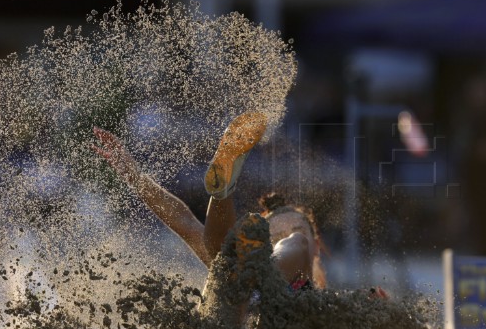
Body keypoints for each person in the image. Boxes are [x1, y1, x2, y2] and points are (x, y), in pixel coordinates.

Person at [91, 112, 330, 290]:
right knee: (228, 260)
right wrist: (137, 178)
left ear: (317, 245)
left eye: (293, 231)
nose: (284, 238)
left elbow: (185, 222)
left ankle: (222, 193)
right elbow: (183, 221)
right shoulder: (290, 256)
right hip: (240, 308)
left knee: (225, 258)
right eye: (275, 238)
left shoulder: (337, 308)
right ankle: (222, 191)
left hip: (247, 291)